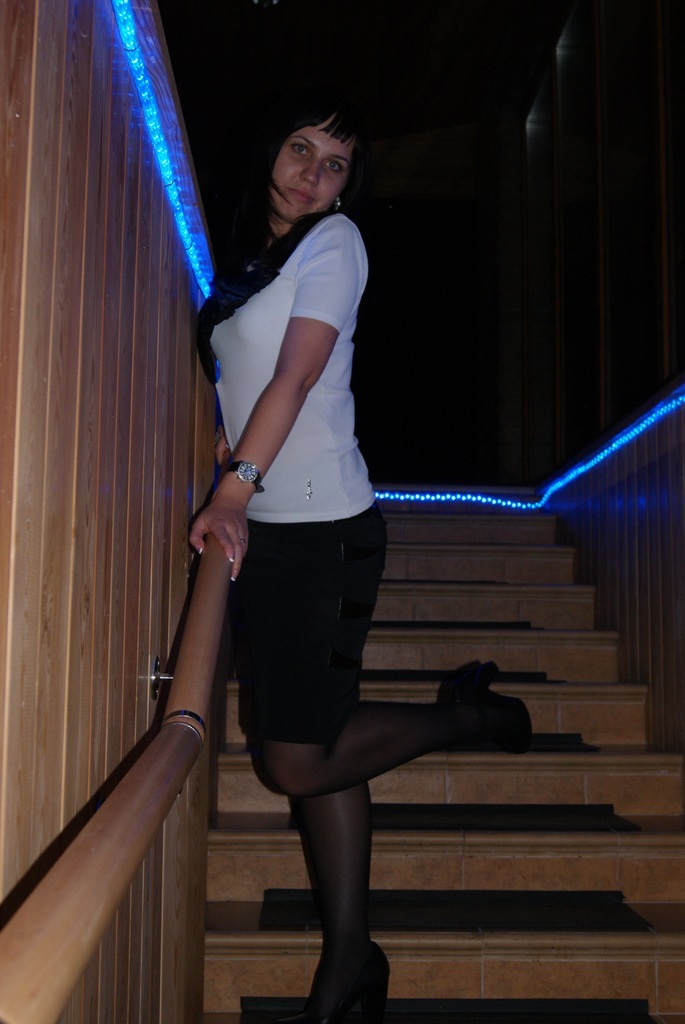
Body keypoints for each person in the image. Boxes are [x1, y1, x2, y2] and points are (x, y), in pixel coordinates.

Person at [189, 86, 532, 1024]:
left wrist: (233, 487)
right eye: (300, 148)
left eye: (335, 163)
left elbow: (297, 373)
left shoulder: (335, 243)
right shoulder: (250, 264)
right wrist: (229, 451)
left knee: (295, 762)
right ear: (269, 151)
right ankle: (350, 958)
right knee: (317, 743)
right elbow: (244, 375)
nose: (313, 173)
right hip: (270, 528)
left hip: (324, 530)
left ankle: (470, 718)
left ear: (347, 187)